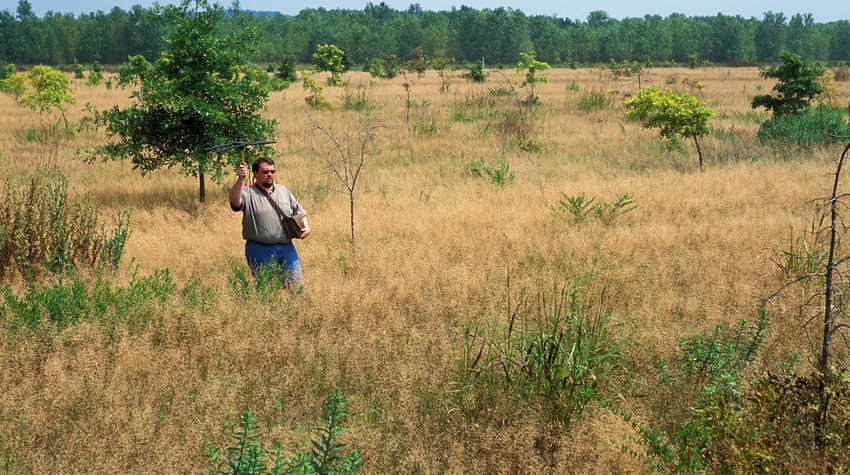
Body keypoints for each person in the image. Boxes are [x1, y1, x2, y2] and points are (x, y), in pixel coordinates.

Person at [229, 156, 310, 288]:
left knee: (296, 287)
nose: (270, 175)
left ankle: (295, 308)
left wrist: (306, 228)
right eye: (265, 172)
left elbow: (299, 211)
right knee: (265, 290)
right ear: (256, 173)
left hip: (286, 247)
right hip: (260, 249)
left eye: (272, 171)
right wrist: (240, 179)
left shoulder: (283, 191)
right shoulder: (247, 192)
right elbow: (235, 201)